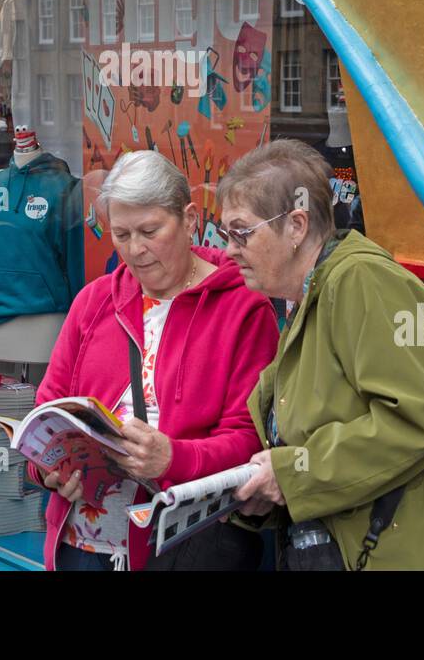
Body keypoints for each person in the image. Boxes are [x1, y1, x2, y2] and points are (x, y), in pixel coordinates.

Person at [222, 139, 424, 570]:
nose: (230, 249)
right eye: (225, 234)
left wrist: (290, 474)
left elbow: (415, 419)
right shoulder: (309, 297)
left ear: (296, 226)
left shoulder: (362, 280)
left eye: (241, 231)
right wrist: (269, 493)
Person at [29, 150, 279, 571]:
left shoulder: (244, 309)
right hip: (82, 544)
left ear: (190, 219)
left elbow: (249, 440)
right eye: (121, 234)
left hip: (181, 548)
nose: (136, 250)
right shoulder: (93, 301)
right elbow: (49, 404)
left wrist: (173, 459)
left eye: (150, 230)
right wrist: (48, 471)